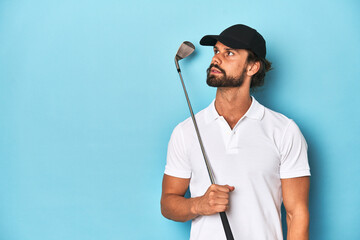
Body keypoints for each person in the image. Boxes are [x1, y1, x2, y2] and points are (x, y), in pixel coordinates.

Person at [161, 24, 310, 240]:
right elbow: (168, 203)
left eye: (229, 53)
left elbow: (297, 214)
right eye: (216, 51)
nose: (216, 59)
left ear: (252, 67)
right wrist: (198, 205)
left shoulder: (284, 131)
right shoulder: (185, 131)